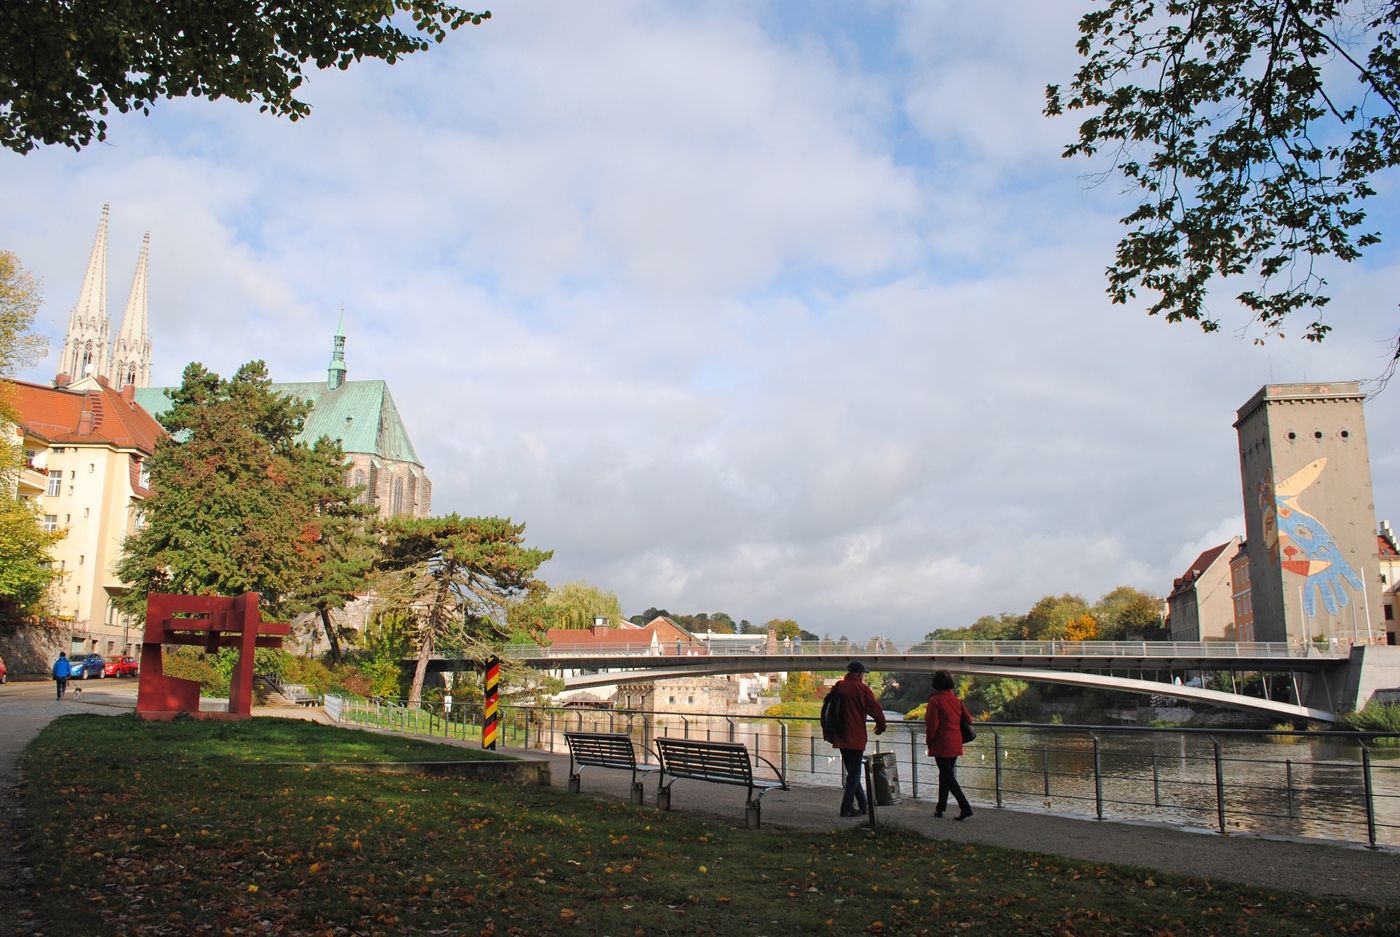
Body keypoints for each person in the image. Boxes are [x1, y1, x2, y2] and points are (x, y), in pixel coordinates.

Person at [824, 661, 887, 817]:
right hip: (856, 736)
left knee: (852, 771)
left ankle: (863, 805)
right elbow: (875, 708)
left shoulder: (839, 686)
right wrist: (881, 725)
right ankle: (846, 807)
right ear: (859, 674)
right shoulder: (862, 689)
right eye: (863, 673)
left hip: (840, 734)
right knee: (854, 774)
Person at [924, 670, 973, 820]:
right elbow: (969, 719)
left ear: (935, 685)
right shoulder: (956, 700)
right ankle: (940, 808)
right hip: (955, 742)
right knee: (945, 775)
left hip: (941, 743)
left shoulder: (935, 701)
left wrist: (929, 740)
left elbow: (932, 725)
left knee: (947, 776)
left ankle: (965, 807)